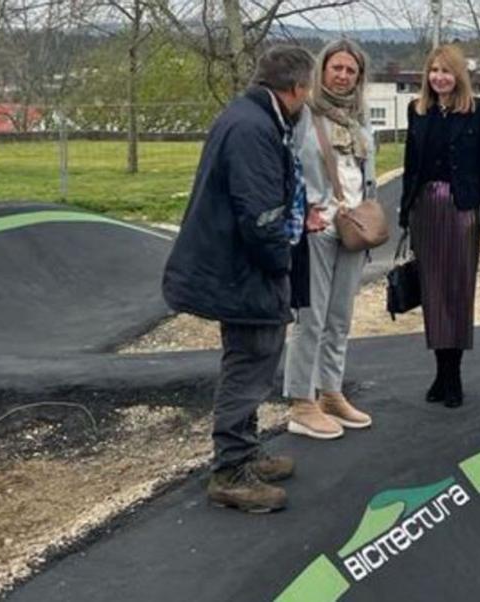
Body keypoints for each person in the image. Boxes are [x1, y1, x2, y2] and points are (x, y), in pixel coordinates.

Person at [161, 45, 315, 513]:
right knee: (250, 360)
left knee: (253, 357)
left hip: (238, 264)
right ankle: (230, 470)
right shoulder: (253, 129)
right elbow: (261, 214)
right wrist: (279, 264)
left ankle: (245, 451)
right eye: (308, 90)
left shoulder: (250, 117)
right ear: (295, 89)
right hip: (243, 270)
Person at [399, 44, 480, 408]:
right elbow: (411, 165)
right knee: (432, 292)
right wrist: (404, 213)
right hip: (425, 208)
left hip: (462, 209)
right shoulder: (418, 111)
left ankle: (454, 374)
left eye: (446, 71)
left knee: (458, 290)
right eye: (433, 71)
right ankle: (439, 372)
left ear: (459, 75)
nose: (439, 77)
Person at [283, 39, 377, 440]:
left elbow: (363, 169)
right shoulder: (303, 115)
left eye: (350, 70)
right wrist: (300, 210)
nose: (342, 75)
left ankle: (330, 391)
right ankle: (301, 401)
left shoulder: (358, 120)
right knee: (312, 318)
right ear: (322, 70)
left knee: (340, 317)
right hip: (317, 228)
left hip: (352, 227)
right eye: (336, 68)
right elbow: (284, 163)